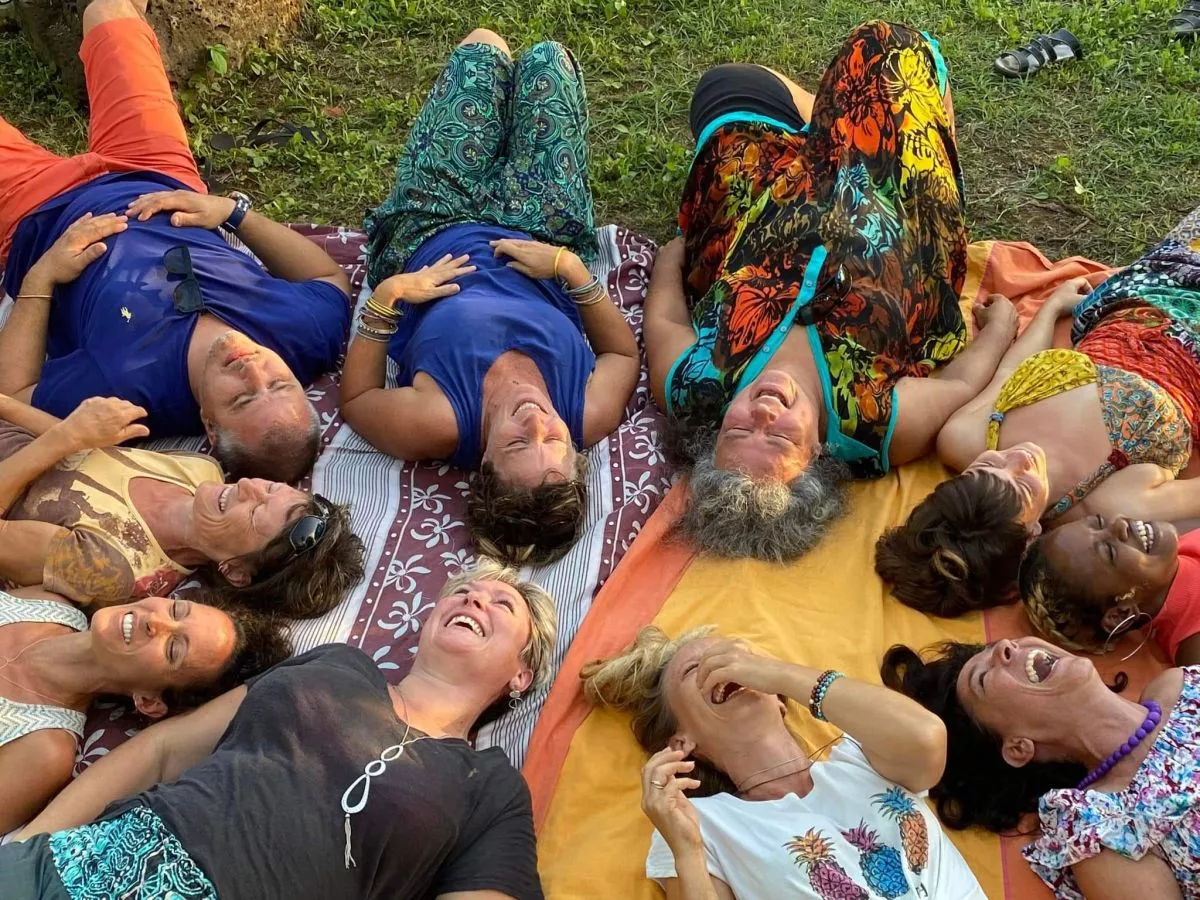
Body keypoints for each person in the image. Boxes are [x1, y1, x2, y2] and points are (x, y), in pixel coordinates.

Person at [642, 22, 1018, 562]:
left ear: (713, 437)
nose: (763, 414)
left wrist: (671, 255)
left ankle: (820, 129)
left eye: (738, 433)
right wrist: (1001, 328)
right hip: (889, 194)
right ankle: (843, 126)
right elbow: (959, 384)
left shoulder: (695, 389)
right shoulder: (874, 426)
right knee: (887, 48)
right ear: (818, 453)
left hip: (766, 191)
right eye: (780, 439)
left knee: (727, 84)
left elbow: (665, 322)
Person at [1, 561, 556, 900]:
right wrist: (27, 844)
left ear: (521, 674)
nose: (473, 598)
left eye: (502, 604)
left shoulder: (489, 788)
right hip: (92, 858)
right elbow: (164, 750)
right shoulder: (338, 663)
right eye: (461, 592)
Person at [0, 0, 352, 484]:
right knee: (107, 13)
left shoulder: (125, 395)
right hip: (155, 170)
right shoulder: (304, 335)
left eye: (242, 399)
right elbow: (328, 276)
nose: (252, 370)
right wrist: (233, 213)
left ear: (209, 424)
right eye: (278, 384)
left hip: (36, 212)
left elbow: (13, 394)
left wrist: (42, 277)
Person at [341, 29, 639, 567]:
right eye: (554, 444)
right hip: (542, 225)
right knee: (548, 59)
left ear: (484, 464)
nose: (536, 422)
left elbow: (358, 400)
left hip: (432, 223)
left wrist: (388, 297)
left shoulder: (439, 421)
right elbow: (621, 352)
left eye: (518, 445)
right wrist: (570, 269)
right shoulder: (587, 414)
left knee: (483, 47)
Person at [877, 204, 1200, 616]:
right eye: (1023, 485)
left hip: (1144, 292)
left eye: (988, 466)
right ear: (1031, 534)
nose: (1017, 457)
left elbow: (1012, 370)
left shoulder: (965, 439)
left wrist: (1052, 306)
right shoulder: (1115, 508)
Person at [581, 627, 985, 899]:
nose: (722, 668)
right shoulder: (702, 826)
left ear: (778, 698)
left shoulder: (862, 754)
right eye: (693, 670)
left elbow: (926, 738)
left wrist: (778, 673)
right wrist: (686, 852)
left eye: (736, 657)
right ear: (682, 741)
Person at [883, 637, 1200, 898]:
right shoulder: (1102, 831)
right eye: (983, 678)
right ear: (1018, 747)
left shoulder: (1178, 684)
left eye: (998, 645)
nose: (1007, 645)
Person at [0, 393, 364, 618]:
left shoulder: (111, 567)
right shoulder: (200, 470)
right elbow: (78, 450)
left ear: (235, 570)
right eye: (268, 487)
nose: (246, 485)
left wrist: (67, 435)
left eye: (254, 512)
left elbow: (66, 441)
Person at [0, 585, 289, 834]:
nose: (155, 621)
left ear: (149, 701)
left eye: (173, 649)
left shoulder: (41, 750)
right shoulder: (50, 604)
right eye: (176, 610)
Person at [1019, 515, 1200, 666]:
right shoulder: (1193, 646)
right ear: (1120, 614)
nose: (1119, 524)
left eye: (1100, 523)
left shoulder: (1176, 552)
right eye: (1110, 552)